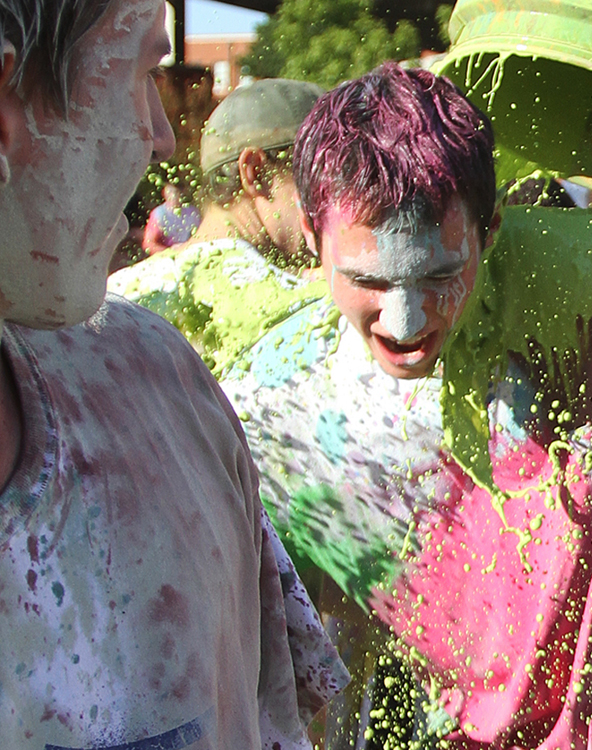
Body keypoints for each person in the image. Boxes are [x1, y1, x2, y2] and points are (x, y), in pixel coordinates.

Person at [220, 63, 592, 749]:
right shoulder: (275, 402)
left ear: (489, 227)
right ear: (312, 234)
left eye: (440, 274)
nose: (405, 322)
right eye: (367, 280)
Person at [0, 1, 346, 747]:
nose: (161, 136)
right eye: (139, 76)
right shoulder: (168, 364)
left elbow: (272, 712)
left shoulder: (164, 379)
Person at [109, 77, 327, 374]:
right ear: (256, 173)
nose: (337, 205)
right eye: (322, 177)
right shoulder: (304, 308)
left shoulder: (121, 293)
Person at [141, 181, 200, 253]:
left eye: (176, 192)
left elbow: (201, 234)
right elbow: (148, 244)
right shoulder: (159, 214)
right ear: (164, 194)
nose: (173, 196)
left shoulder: (192, 212)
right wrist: (170, 252)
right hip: (168, 255)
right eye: (170, 192)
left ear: (182, 193)